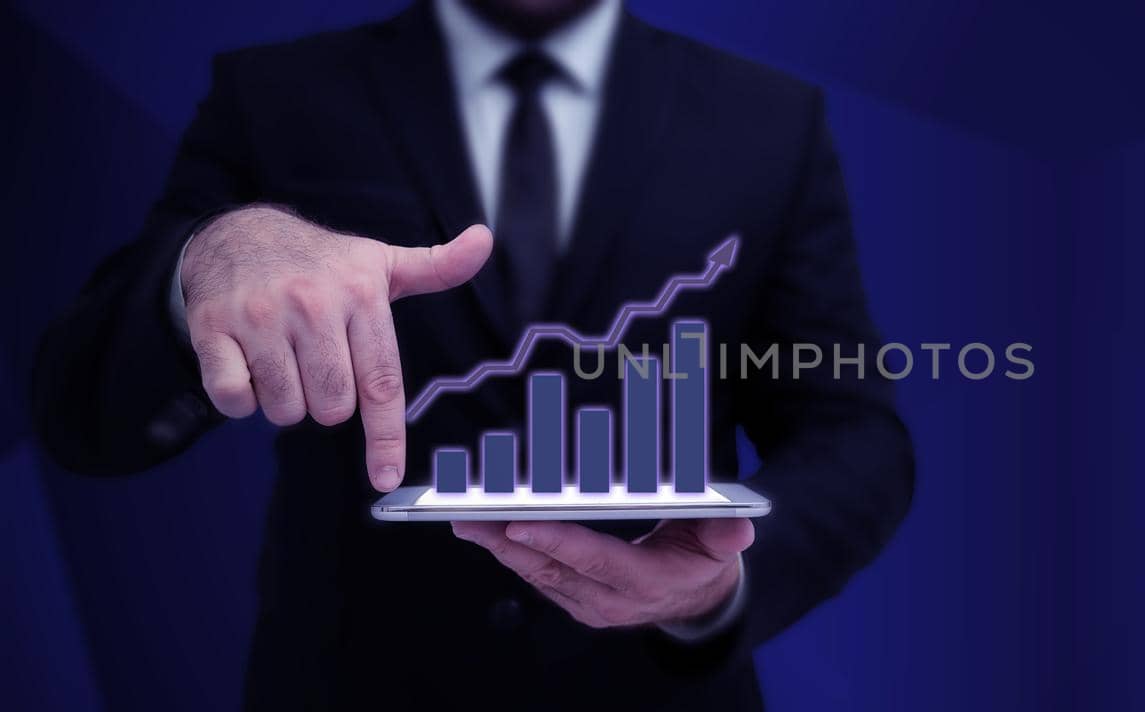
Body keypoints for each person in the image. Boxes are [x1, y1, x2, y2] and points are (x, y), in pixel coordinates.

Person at [30, 0, 914, 708]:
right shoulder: (274, 95)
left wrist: (716, 591)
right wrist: (214, 258)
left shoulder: (769, 121)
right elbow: (83, 416)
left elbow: (854, 433)